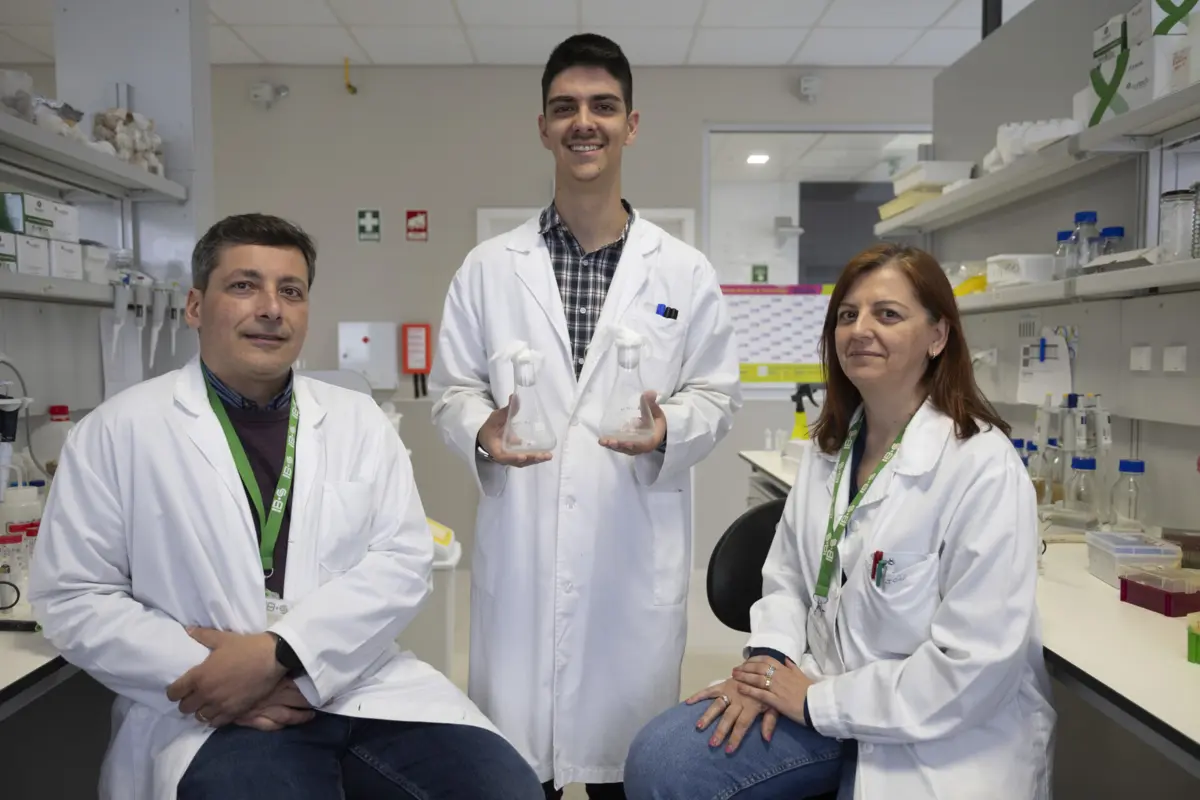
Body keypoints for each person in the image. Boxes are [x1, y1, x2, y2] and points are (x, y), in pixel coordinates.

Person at [27, 214, 544, 800]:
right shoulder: (118, 431)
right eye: (244, 285)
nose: (271, 307)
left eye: (290, 291)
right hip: (214, 712)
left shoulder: (358, 420)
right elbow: (73, 595)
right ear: (195, 306)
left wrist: (284, 654)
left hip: (358, 686)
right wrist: (223, 677)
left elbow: (402, 559)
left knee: (507, 790)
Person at [624, 244, 1056, 800]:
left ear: (938, 337)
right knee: (662, 758)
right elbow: (787, 580)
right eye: (847, 315)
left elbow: (975, 668)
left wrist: (812, 701)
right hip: (814, 686)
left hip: (934, 734)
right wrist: (770, 665)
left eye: (888, 314)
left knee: (675, 768)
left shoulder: (981, 466)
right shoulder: (831, 450)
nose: (860, 329)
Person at [430, 33, 742, 800]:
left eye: (603, 106)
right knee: (515, 775)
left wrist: (668, 429)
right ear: (543, 126)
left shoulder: (682, 271)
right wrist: (479, 428)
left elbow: (717, 394)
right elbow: (450, 388)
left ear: (632, 124)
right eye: (565, 107)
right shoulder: (487, 268)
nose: (584, 122)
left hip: (628, 557)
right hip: (523, 557)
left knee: (623, 774)